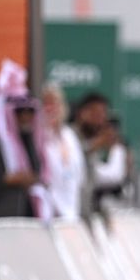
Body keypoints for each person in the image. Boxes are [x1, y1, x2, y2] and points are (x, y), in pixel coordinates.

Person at [0, 60, 47, 219]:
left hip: (23, 216)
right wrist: (4, 180)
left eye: (30, 111)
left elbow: (37, 170)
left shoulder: (29, 139)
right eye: (20, 111)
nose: (26, 117)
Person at [41, 84, 86, 221]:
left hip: (71, 211)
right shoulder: (40, 136)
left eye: (55, 103)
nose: (51, 109)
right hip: (48, 212)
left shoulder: (69, 135)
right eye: (47, 104)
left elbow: (80, 173)